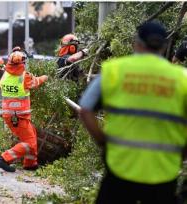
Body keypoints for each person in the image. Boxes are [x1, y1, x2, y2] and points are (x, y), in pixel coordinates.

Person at [79, 22, 187, 204]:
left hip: (120, 167)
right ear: (164, 46)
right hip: (163, 172)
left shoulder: (115, 70)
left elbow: (86, 109)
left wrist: (102, 142)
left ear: (136, 42)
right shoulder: (182, 78)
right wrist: (182, 153)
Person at [0, 47, 48, 172]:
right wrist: (45, 77)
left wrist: (16, 51)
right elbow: (37, 82)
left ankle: (30, 164)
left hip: (11, 115)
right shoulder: (25, 77)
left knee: (32, 134)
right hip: (18, 116)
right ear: (22, 63)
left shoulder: (5, 75)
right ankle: (3, 158)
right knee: (29, 143)